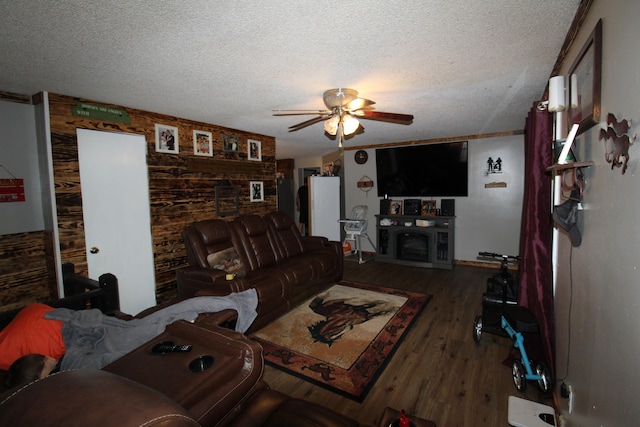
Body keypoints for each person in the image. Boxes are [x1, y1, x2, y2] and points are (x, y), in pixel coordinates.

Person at [0, 289, 258, 387]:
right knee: (162, 319)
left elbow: (115, 357)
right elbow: (115, 360)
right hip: (100, 330)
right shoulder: (70, 365)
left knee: (161, 319)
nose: (46, 357)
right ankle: (235, 302)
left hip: (98, 331)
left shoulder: (70, 360)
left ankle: (236, 303)